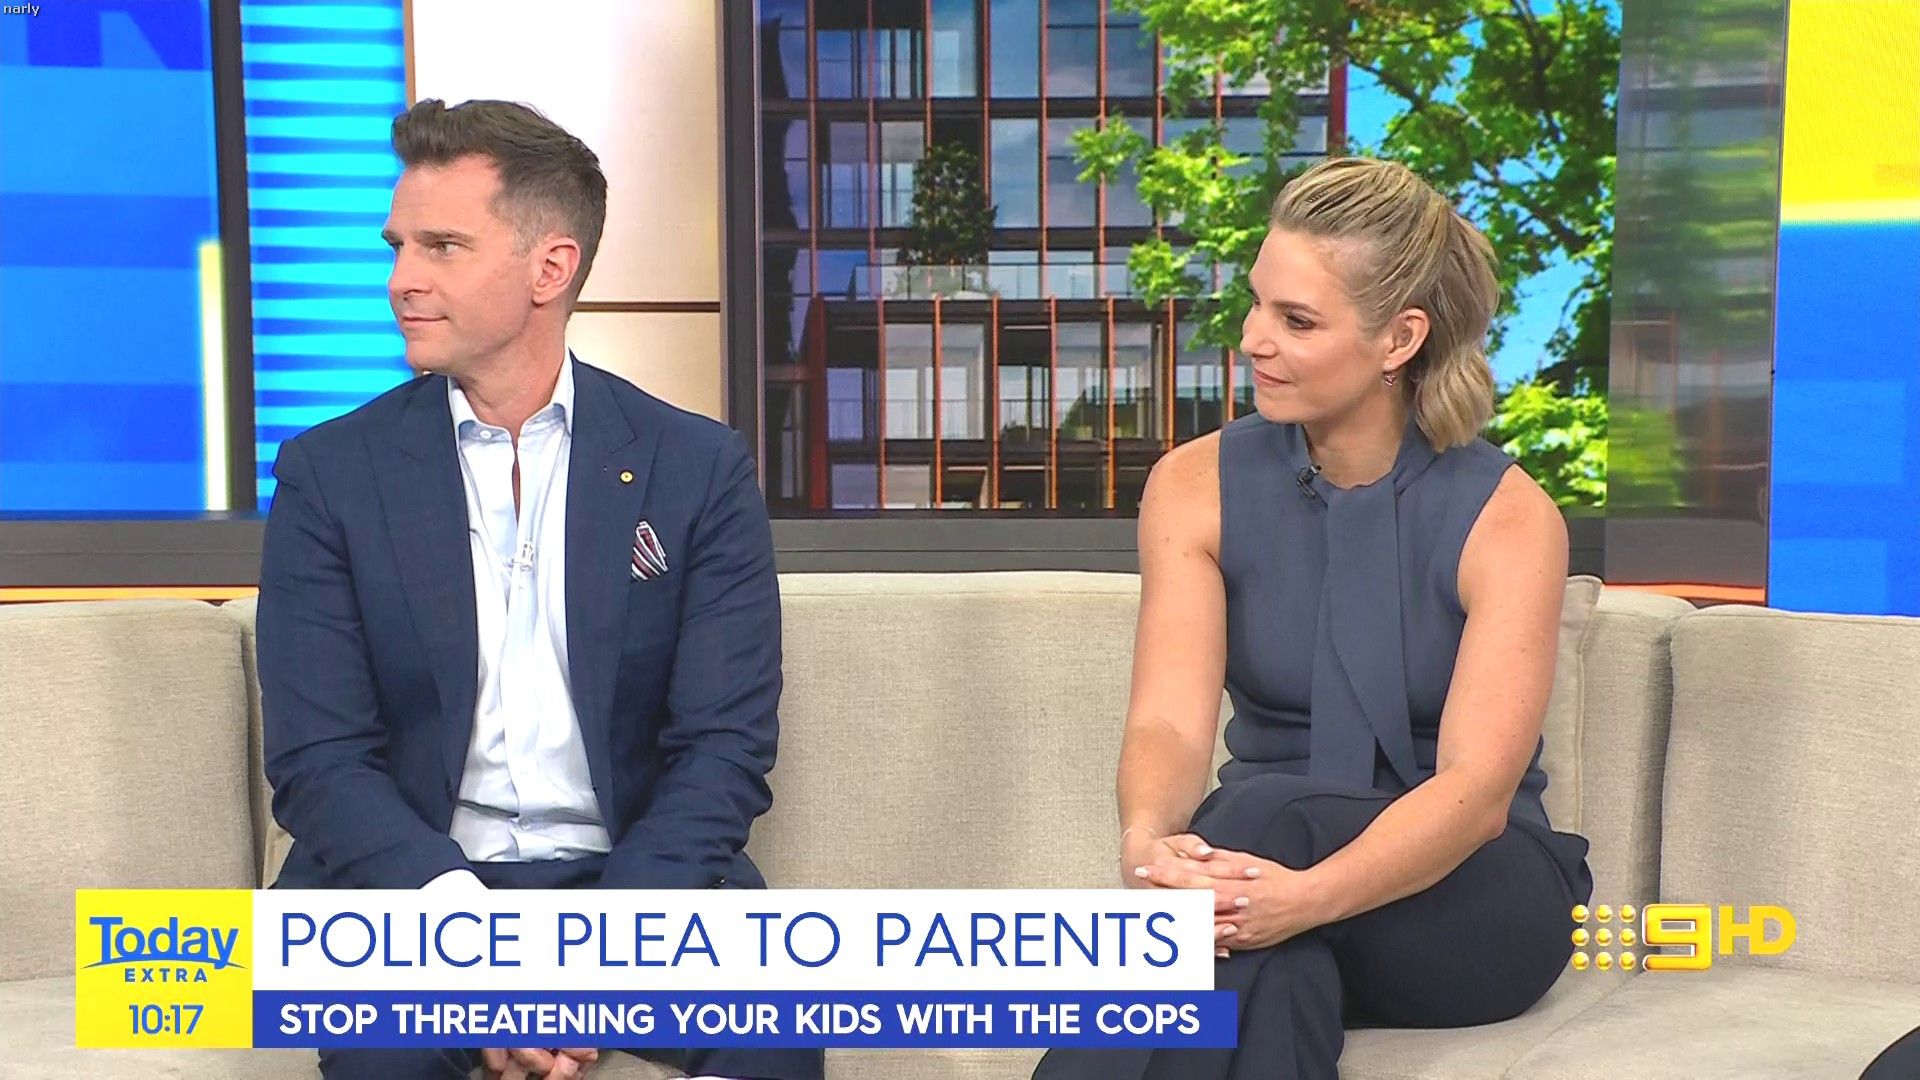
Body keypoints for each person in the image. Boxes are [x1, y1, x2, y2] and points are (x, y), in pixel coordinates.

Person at [256, 97, 824, 1080]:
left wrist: (600, 956)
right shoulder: (330, 476)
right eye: (398, 247)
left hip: (633, 883)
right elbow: (319, 761)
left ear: (549, 269)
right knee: (385, 1064)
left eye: (441, 247)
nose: (401, 280)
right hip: (415, 892)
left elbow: (723, 751)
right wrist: (471, 945)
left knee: (778, 1037)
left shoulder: (697, 469)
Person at [1034, 157, 1593, 1080]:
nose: (1253, 339)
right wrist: (1147, 847)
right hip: (1258, 874)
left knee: (1258, 821)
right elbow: (1169, 722)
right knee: (1270, 969)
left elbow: (1475, 793)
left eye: (1296, 321)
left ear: (1399, 338)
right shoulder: (1193, 487)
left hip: (1469, 897)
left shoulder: (1509, 517)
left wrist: (1302, 899)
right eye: (1257, 304)